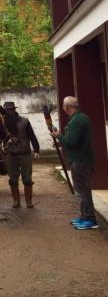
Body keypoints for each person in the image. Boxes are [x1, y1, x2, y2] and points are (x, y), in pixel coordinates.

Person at [51, 96, 98, 230]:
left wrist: (58, 136)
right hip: (82, 159)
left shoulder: (76, 121)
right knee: (83, 190)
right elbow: (72, 140)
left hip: (80, 161)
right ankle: (85, 216)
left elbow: (71, 142)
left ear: (68, 107)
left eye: (64, 106)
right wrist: (61, 138)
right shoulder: (81, 118)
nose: (63, 109)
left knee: (83, 191)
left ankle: (90, 219)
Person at [3, 102, 40, 209]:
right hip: (11, 154)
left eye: (10, 110)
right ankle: (16, 201)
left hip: (25, 153)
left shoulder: (24, 121)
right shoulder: (3, 123)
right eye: (7, 110)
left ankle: (28, 201)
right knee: (13, 179)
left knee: (27, 179)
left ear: (14, 110)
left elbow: (32, 136)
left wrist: (36, 150)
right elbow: (0, 137)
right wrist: (7, 140)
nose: (9, 112)